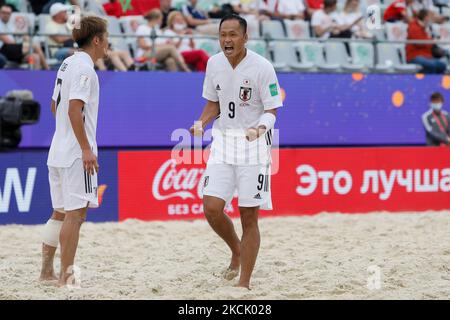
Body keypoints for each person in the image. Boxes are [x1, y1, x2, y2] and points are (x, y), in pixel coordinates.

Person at [190, 14, 283, 289]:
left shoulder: (262, 67)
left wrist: (260, 129)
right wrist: (201, 122)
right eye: (222, 35)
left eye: (232, 35)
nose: (227, 40)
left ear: (245, 37)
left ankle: (244, 284)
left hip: (253, 147)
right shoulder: (213, 63)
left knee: (248, 216)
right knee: (212, 208)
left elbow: (272, 109)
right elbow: (212, 104)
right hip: (223, 143)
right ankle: (236, 250)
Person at [39, 16, 108, 287]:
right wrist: (85, 148)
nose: (108, 45)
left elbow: (55, 106)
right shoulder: (84, 69)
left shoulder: (67, 63)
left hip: (58, 149)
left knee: (59, 212)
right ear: (96, 39)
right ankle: (66, 276)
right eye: (106, 39)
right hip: (75, 154)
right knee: (75, 215)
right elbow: (72, 109)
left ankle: (46, 272)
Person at [0, 4, 49, 69]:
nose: (6, 15)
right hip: (3, 49)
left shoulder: (10, 24)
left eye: (8, 13)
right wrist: (25, 44)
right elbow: (8, 41)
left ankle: (36, 78)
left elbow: (21, 35)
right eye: (3, 12)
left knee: (35, 57)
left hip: (13, 50)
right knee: (34, 46)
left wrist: (26, 39)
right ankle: (48, 69)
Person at [406, 9, 447, 74]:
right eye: (431, 17)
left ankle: (436, 82)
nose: (432, 19)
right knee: (431, 65)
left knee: (442, 65)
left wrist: (431, 41)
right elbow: (419, 43)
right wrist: (432, 41)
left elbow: (428, 42)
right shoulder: (413, 26)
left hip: (426, 55)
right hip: (414, 56)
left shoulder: (425, 28)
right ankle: (429, 82)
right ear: (426, 17)